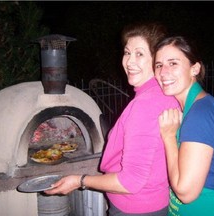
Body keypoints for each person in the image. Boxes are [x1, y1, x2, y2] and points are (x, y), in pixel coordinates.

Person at [45, 22, 180, 215]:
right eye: (127, 53)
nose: (129, 62)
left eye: (139, 54)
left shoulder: (145, 105)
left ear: (157, 59)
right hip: (154, 202)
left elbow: (131, 181)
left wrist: (80, 180)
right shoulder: (163, 94)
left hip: (135, 208)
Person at [154, 35, 214, 216]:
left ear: (194, 69)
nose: (163, 72)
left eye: (173, 63)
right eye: (158, 65)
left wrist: (169, 137)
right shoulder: (194, 106)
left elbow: (186, 192)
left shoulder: (200, 114)